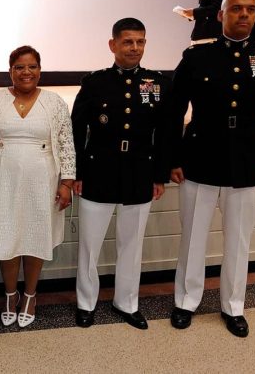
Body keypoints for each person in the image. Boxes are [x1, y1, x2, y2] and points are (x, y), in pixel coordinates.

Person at [169, 0, 255, 338]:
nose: (244, 15)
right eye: (236, 9)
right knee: (192, 239)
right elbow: (175, 111)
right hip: (200, 159)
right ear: (221, 15)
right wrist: (172, 158)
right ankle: (186, 301)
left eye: (251, 9)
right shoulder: (197, 56)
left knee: (239, 240)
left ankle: (233, 306)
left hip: (247, 163)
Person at [71, 18, 172, 330]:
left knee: (132, 244)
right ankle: (86, 303)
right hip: (98, 170)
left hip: (139, 172)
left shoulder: (157, 82)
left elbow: (166, 132)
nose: (135, 48)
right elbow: (76, 129)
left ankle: (127, 303)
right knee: (90, 244)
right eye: (128, 42)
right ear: (112, 45)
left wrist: (160, 175)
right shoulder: (94, 83)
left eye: (140, 42)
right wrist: (75, 171)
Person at [0, 46, 75, 328]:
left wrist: (66, 182)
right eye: (19, 67)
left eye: (32, 66)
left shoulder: (54, 102)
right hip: (1, 182)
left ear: (39, 70)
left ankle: (30, 295)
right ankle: (10, 294)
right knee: (6, 237)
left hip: (43, 182)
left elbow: (67, 144)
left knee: (34, 237)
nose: (26, 72)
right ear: (11, 71)